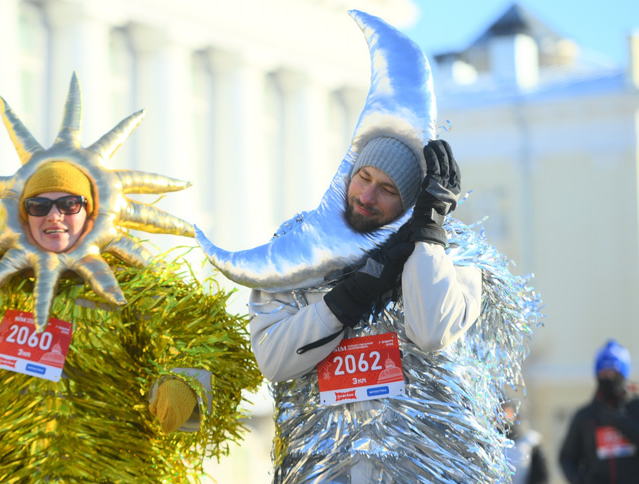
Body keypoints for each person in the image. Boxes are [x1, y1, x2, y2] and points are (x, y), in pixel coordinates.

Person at [0, 76, 261, 483]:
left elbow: (204, 337)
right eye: (39, 205)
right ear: (23, 212)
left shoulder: (133, 290)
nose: (54, 216)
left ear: (92, 209)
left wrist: (184, 387)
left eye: (69, 203)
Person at [195, 10, 541, 483]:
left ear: (410, 200)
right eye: (364, 177)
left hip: (421, 469)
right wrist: (349, 297)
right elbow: (274, 360)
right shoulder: (296, 254)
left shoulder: (459, 258)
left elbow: (432, 329)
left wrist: (427, 236)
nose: (367, 195)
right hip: (327, 466)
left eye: (387, 190)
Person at [559, 340, 639, 484]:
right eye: (603, 373)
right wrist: (581, 480)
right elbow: (567, 458)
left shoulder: (636, 409)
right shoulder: (585, 416)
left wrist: (621, 422)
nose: (608, 378)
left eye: (612, 373)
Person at [503, 401, 549, 484]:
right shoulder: (488, 442)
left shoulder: (531, 441)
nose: (502, 415)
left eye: (505, 410)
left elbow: (540, 477)